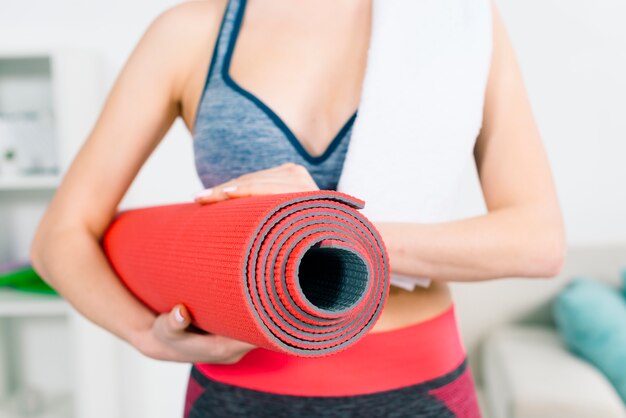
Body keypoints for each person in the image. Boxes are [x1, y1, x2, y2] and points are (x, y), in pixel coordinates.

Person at [30, 0, 565, 416]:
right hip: (238, 391)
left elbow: (537, 242)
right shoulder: (190, 32)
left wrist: (324, 230)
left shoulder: (455, 24)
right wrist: (143, 334)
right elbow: (61, 235)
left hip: (413, 387)